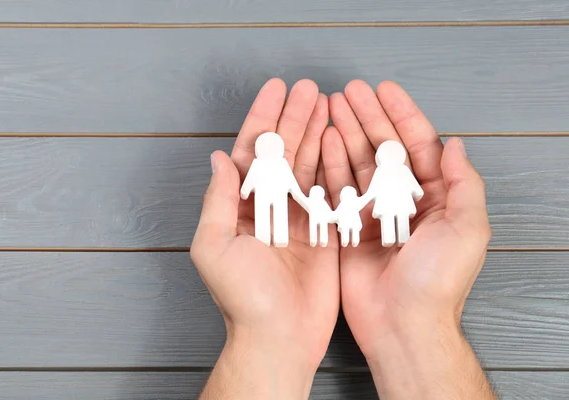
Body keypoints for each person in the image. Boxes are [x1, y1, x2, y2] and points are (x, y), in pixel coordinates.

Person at [191, 78, 495, 399]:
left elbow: (303, 188)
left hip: (385, 204)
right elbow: (287, 187)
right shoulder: (279, 165)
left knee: (392, 229)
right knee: (274, 222)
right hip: (280, 200)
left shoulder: (377, 172)